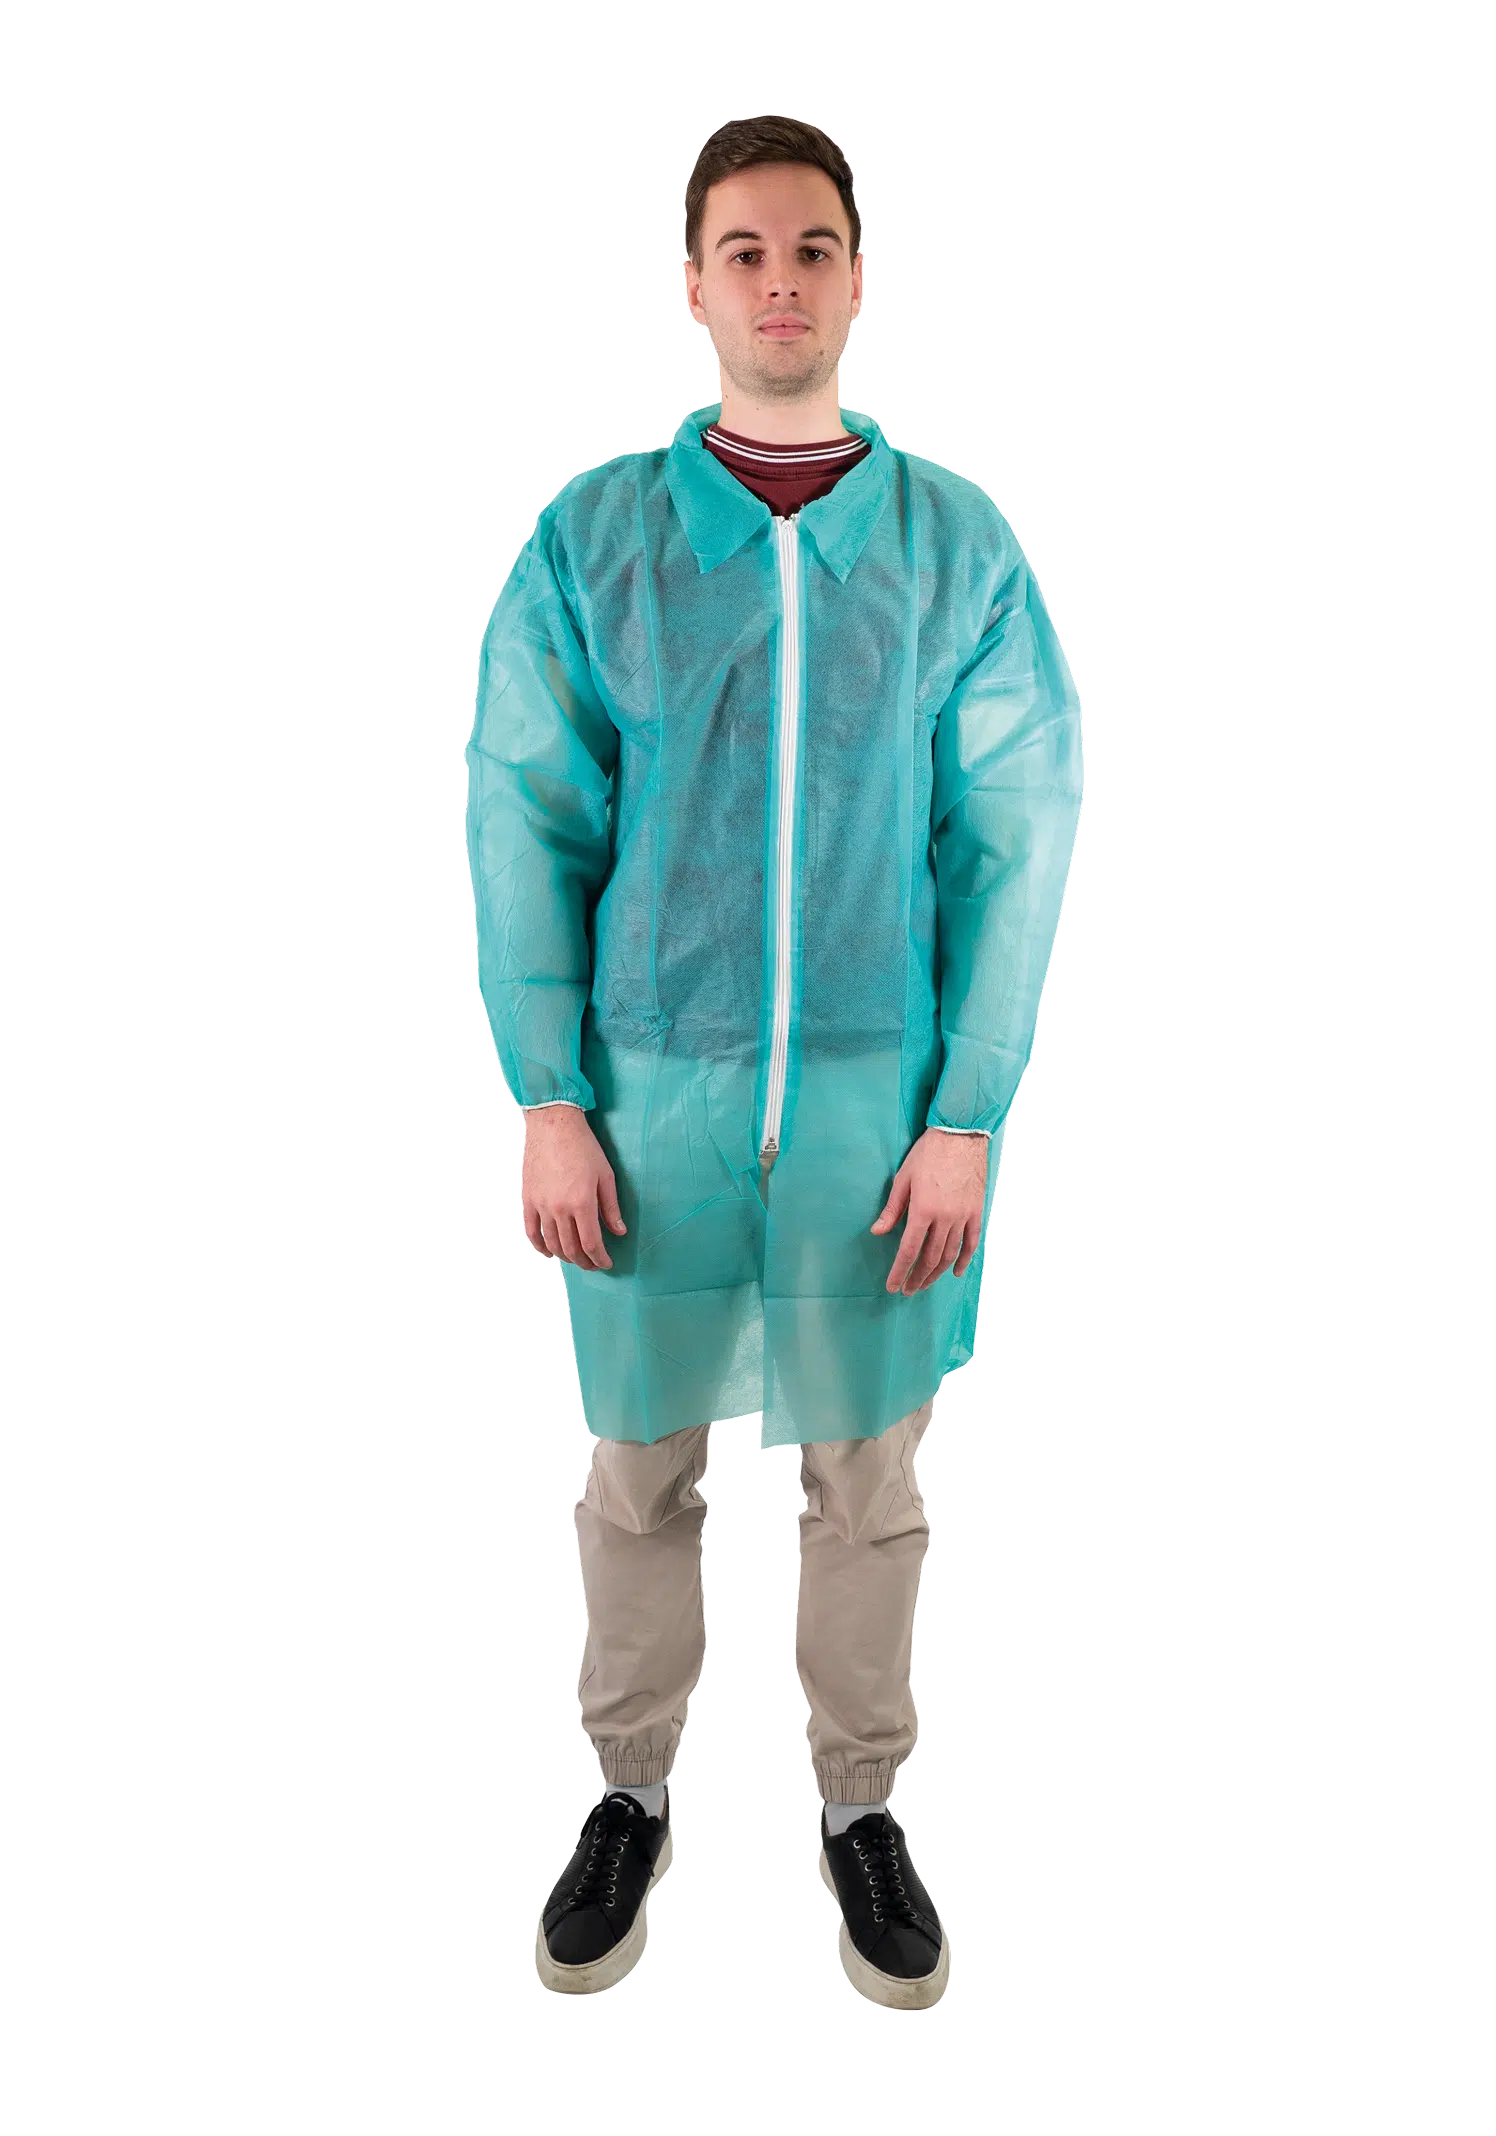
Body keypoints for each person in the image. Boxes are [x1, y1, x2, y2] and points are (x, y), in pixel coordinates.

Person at [466, 116, 1085, 2007]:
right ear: (692, 286)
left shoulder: (953, 544)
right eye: (743, 250)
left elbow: (1015, 834)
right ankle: (631, 1793)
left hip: (875, 1109)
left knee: (869, 1483)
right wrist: (549, 1094)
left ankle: (861, 1806)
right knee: (637, 1476)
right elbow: (527, 819)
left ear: (859, 282)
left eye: (813, 247)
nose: (780, 281)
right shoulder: (598, 540)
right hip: (649, 1099)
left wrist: (968, 1115)